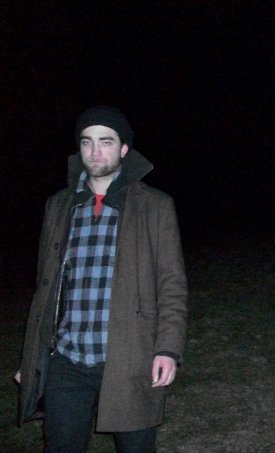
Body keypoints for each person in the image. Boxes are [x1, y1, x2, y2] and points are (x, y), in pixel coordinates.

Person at [15, 106, 188, 452]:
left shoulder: (154, 205)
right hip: (67, 358)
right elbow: (45, 289)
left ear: (123, 149)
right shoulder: (59, 205)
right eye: (87, 142)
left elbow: (171, 284)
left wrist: (167, 349)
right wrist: (32, 358)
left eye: (106, 142)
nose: (95, 152)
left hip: (129, 355)